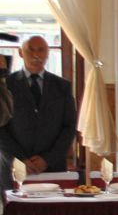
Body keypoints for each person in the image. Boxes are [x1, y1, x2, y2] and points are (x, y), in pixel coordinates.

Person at [0, 35, 77, 195]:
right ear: (21, 53)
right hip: (14, 167)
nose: (36, 55)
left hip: (52, 166)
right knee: (15, 210)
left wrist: (47, 159)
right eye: (31, 50)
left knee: (52, 210)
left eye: (41, 50)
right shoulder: (6, 84)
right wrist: (20, 159)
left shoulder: (62, 86)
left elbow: (69, 127)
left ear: (47, 53)